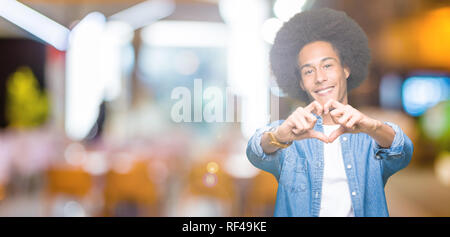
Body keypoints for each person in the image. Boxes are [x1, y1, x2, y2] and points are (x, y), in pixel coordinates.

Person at [246, 8, 413, 217]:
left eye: (327, 65)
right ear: (301, 82)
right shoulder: (290, 136)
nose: (319, 78)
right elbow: (254, 152)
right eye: (309, 70)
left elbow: (403, 151)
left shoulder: (371, 136)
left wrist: (373, 127)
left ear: (346, 69)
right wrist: (278, 136)